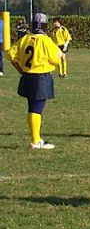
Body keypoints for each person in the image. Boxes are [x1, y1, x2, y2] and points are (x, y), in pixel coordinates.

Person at [7, 13, 63, 149]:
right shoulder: (46, 40)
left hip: (27, 76)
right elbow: (57, 58)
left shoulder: (25, 38)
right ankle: (35, 140)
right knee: (36, 109)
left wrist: (20, 69)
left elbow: (10, 55)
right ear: (45, 26)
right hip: (41, 76)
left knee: (32, 107)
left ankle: (36, 139)